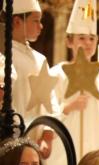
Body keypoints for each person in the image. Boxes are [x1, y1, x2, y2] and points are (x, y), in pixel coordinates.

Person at [52, 0, 99, 160]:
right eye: (81, 38)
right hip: (65, 150)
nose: (87, 43)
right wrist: (68, 107)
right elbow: (48, 113)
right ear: (69, 41)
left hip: (94, 149)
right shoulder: (57, 74)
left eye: (92, 39)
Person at [9, 0, 57, 157]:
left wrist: (47, 135)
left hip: (36, 143)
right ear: (17, 21)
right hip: (11, 141)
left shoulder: (40, 59)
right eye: (36, 21)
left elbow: (51, 100)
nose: (41, 26)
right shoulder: (4, 58)